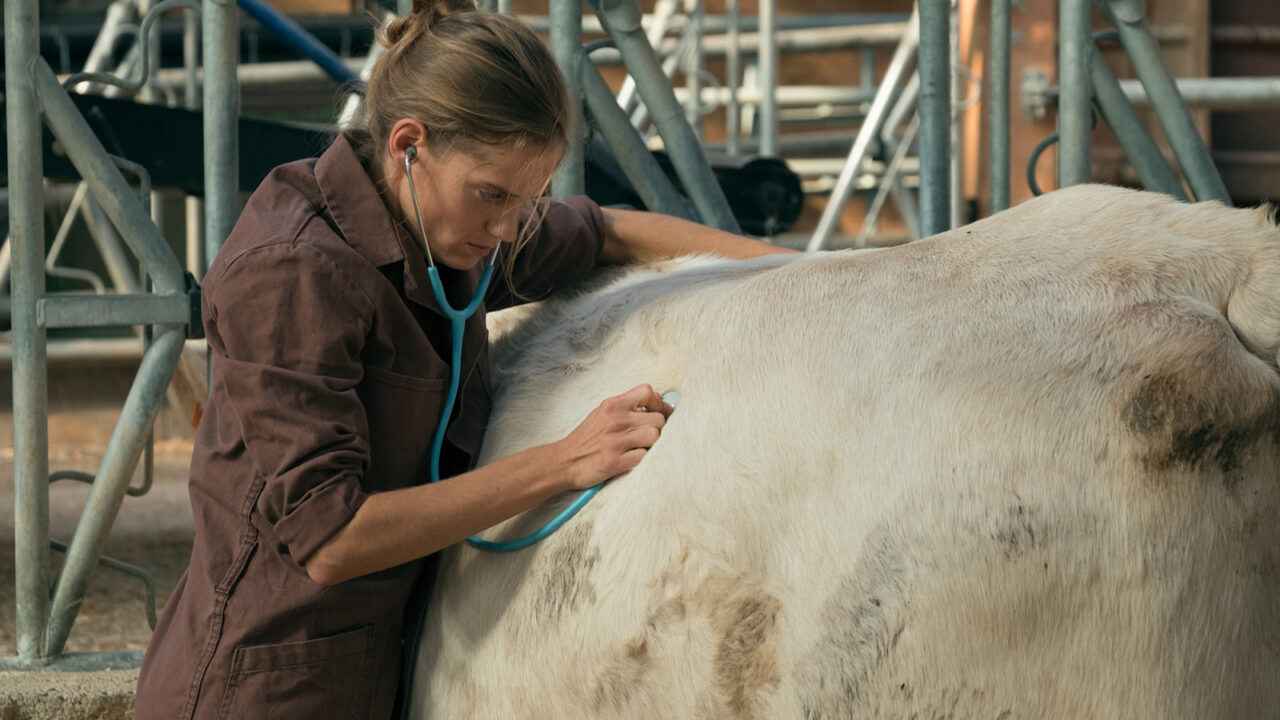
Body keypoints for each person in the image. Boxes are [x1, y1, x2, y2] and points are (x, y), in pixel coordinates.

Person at [133, 1, 793, 717]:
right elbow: (332, 539)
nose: (510, 227)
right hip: (262, 685)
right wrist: (565, 461)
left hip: (370, 669)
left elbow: (607, 230)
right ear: (409, 143)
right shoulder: (293, 273)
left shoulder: (444, 223)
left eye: (528, 197)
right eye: (494, 194)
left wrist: (804, 273)